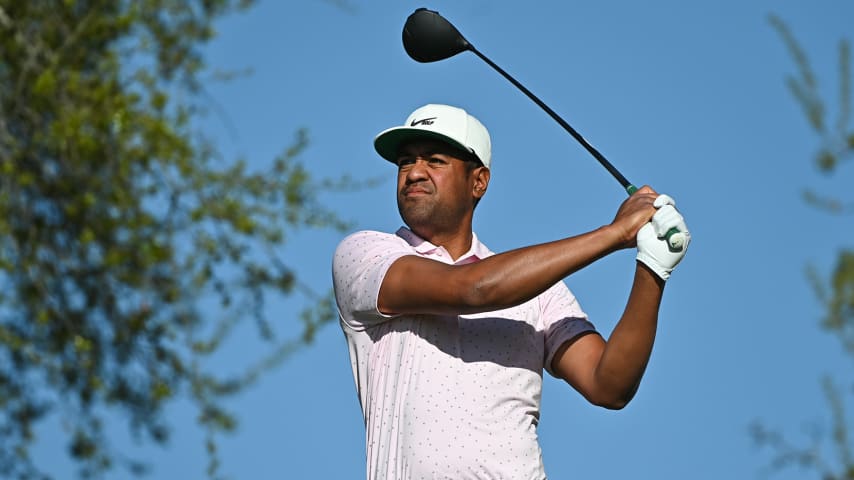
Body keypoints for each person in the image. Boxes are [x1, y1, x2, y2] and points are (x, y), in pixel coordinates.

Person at [332, 103, 691, 480]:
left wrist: (652, 268)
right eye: (405, 162)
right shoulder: (365, 254)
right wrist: (615, 233)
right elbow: (473, 288)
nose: (414, 173)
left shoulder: (538, 290)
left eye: (434, 160)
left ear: (479, 182)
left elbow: (609, 385)